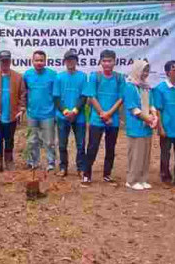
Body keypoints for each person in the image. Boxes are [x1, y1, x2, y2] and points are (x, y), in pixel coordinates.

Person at [82, 50, 125, 185]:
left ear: (114, 62)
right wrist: (103, 114)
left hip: (113, 120)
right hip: (97, 119)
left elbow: (121, 98)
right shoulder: (95, 76)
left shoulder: (119, 78)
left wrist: (109, 114)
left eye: (110, 61)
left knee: (110, 148)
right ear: (100, 62)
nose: (107, 63)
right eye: (104, 61)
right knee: (92, 147)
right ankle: (86, 174)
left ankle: (107, 174)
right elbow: (92, 97)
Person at [0, 50, 26, 171]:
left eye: (7, 60)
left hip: (11, 115)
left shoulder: (18, 77)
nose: (5, 63)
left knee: (9, 139)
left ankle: (9, 161)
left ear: (10, 61)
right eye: (3, 61)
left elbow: (23, 94)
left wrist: (22, 109)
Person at [123, 59, 158, 190]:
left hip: (147, 126)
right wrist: (147, 118)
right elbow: (133, 108)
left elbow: (152, 104)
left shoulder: (147, 87)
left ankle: (142, 179)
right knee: (136, 154)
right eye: (143, 70)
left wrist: (154, 117)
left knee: (145, 153)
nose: (145, 73)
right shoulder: (130, 86)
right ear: (137, 70)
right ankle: (131, 180)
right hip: (136, 125)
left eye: (147, 71)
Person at [53, 49, 88, 177]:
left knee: (81, 144)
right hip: (63, 116)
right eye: (68, 60)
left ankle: (81, 168)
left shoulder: (83, 76)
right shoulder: (59, 76)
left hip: (79, 117)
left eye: (73, 59)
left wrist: (75, 110)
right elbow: (56, 97)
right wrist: (66, 111)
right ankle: (63, 167)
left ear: (76, 61)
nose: (70, 62)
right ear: (64, 62)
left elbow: (84, 96)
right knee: (62, 144)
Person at [23, 50, 58, 171]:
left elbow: (56, 94)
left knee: (49, 141)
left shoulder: (53, 75)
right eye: (36, 60)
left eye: (41, 60)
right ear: (32, 61)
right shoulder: (27, 75)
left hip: (48, 114)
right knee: (32, 140)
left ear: (45, 61)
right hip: (32, 114)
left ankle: (51, 163)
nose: (39, 62)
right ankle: (33, 162)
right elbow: (24, 93)